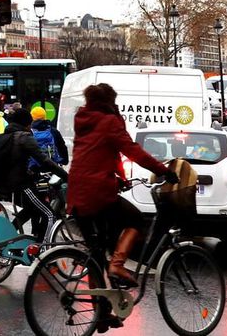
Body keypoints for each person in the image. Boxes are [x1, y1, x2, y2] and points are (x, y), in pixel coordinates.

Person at [68, 83, 177, 296]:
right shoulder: (109, 121)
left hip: (76, 192)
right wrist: (163, 170)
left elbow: (102, 154)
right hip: (98, 193)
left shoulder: (83, 122)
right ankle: (118, 264)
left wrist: (120, 177)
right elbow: (132, 150)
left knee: (96, 253)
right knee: (135, 220)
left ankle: (101, 312)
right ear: (109, 101)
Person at [0, 108, 67, 242]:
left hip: (2, 185)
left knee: (32, 210)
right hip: (20, 185)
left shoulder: (4, 136)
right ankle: (43, 249)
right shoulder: (24, 137)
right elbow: (44, 160)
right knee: (50, 214)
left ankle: (4, 240)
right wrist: (66, 176)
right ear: (26, 123)